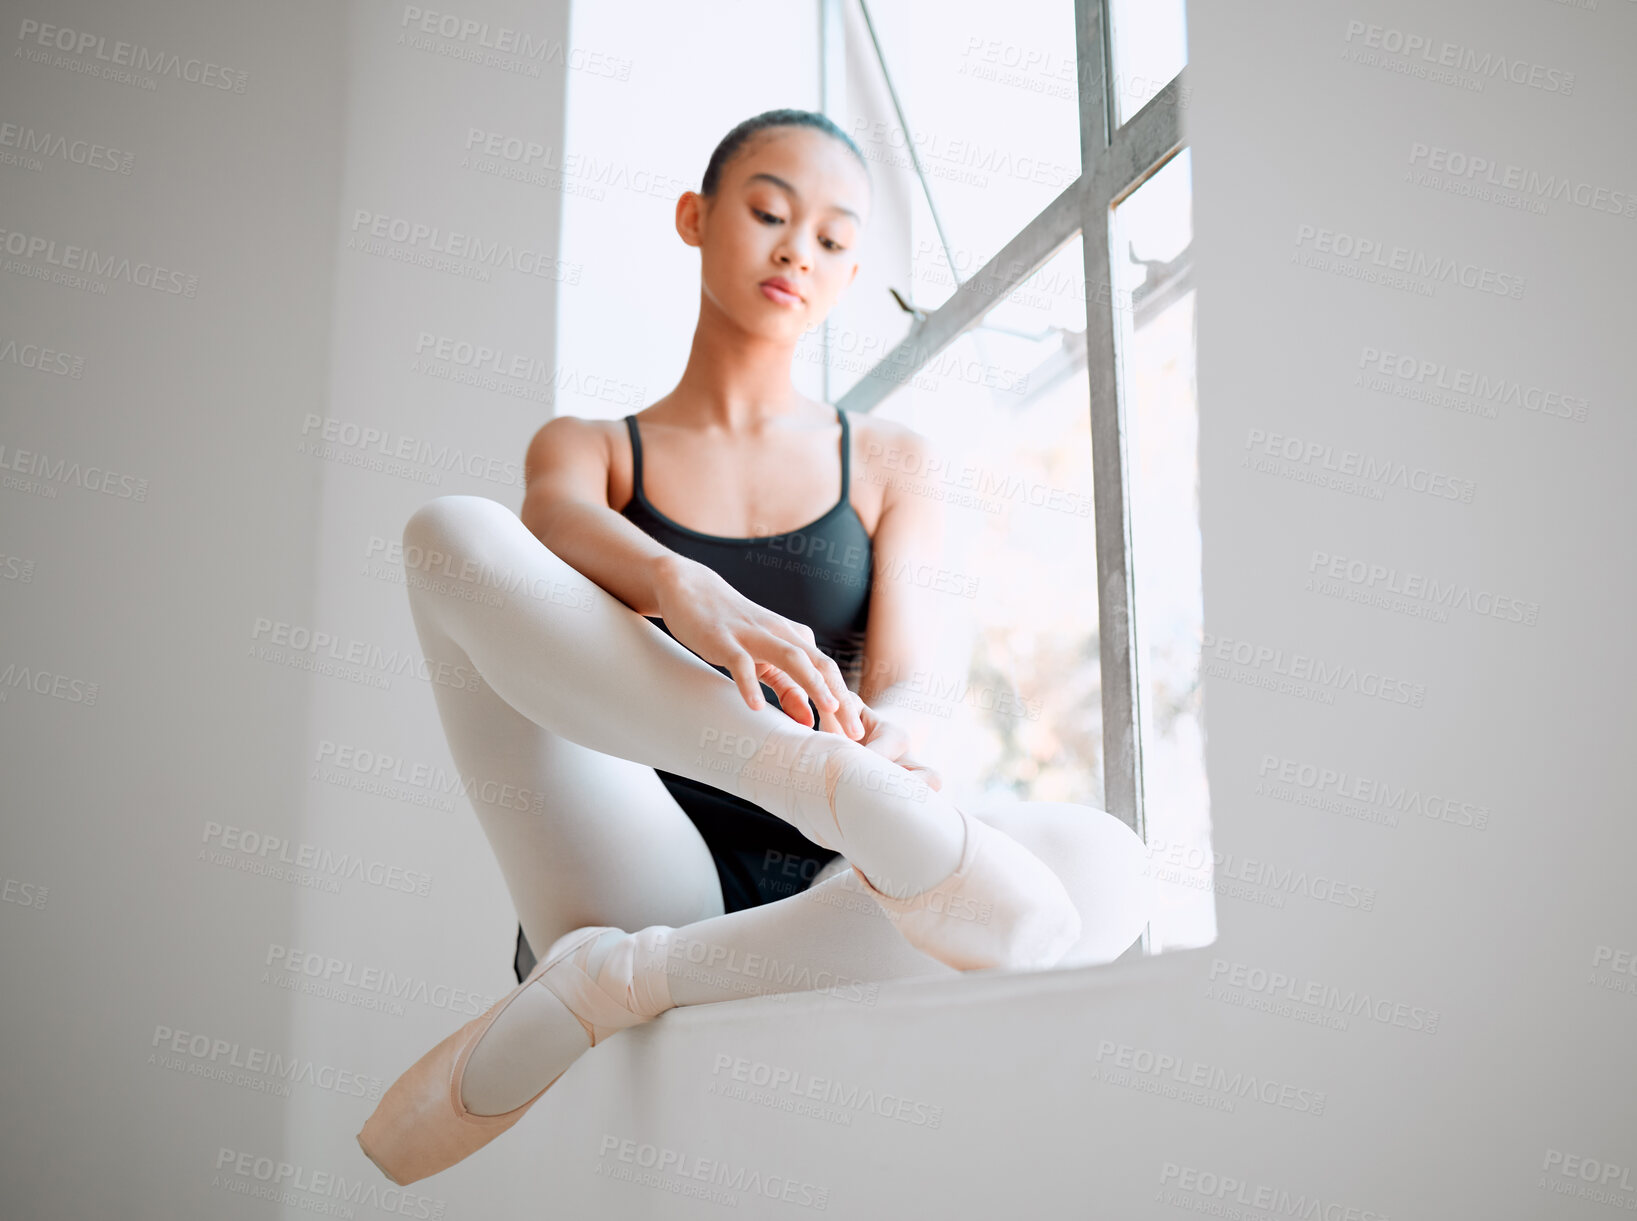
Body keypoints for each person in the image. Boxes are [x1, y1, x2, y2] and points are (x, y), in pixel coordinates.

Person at [356, 108, 1153, 1186]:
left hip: (836, 896)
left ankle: (617, 982)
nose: (795, 250)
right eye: (769, 212)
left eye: (831, 239)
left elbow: (919, 680)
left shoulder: (890, 460)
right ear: (696, 217)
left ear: (852, 269)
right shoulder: (590, 450)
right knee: (445, 534)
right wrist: (681, 588)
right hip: (634, 858)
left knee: (1105, 866)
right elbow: (543, 531)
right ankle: (809, 792)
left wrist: (901, 747)